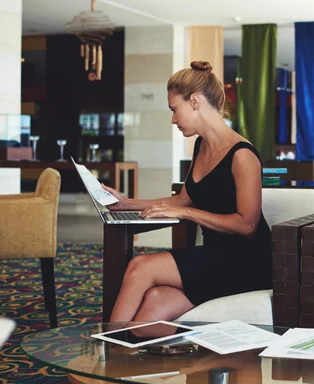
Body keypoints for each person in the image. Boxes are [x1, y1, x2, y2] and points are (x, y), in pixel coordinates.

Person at [104, 61, 272, 324]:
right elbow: (181, 199)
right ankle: (213, 356)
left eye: (174, 109)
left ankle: (105, 349)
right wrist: (125, 203)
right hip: (214, 256)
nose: (173, 119)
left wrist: (188, 213)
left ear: (194, 101)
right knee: (149, 314)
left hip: (247, 262)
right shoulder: (201, 146)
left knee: (140, 267)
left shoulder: (242, 155)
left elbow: (247, 225)